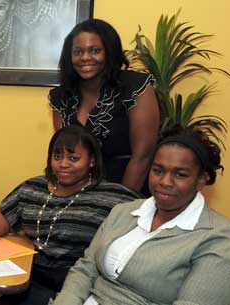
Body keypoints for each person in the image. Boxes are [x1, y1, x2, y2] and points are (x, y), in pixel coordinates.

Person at [53, 127, 230, 305]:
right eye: (158, 171)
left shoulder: (221, 242)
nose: (165, 181)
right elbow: (86, 268)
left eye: (180, 174)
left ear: (201, 181)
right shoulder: (124, 211)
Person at [0, 125, 140, 305]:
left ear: (92, 161)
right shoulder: (32, 187)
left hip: (79, 284)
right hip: (31, 279)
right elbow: (4, 215)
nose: (63, 164)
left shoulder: (114, 196)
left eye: (73, 158)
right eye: (57, 156)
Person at [49, 19, 159, 194]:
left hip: (129, 191)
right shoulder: (61, 97)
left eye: (94, 50)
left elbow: (143, 156)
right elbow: (65, 156)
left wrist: (117, 205)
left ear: (109, 52)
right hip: (78, 194)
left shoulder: (135, 86)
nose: (85, 57)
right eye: (78, 52)